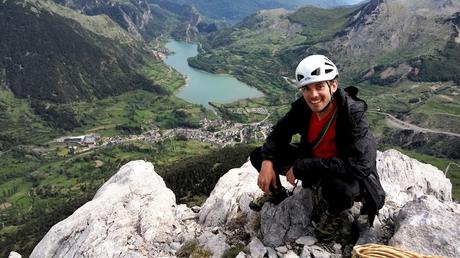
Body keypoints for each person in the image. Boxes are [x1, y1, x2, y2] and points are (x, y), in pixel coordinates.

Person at [249, 54, 385, 241]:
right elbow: (278, 134)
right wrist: (266, 161)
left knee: (340, 190)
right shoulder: (303, 108)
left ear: (333, 86)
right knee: (258, 155)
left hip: (340, 174)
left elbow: (360, 165)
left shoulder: (352, 114)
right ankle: (277, 193)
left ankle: (333, 213)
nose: (313, 95)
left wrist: (302, 167)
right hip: (311, 161)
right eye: (307, 89)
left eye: (319, 86)